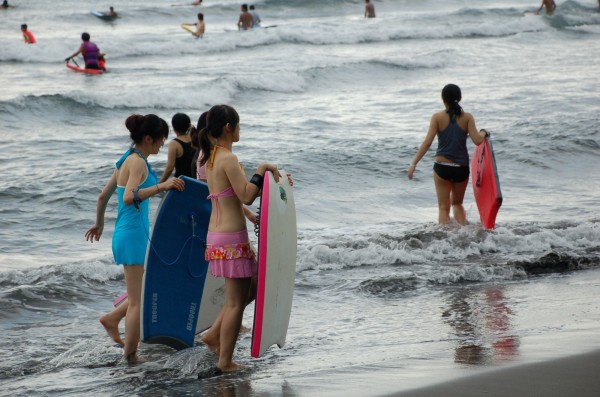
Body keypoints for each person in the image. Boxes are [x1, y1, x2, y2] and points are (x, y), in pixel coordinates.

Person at [85, 114, 185, 362]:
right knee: (138, 302)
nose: (162, 145)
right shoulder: (138, 163)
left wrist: (99, 223)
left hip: (125, 233)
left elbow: (103, 197)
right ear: (148, 138)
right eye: (160, 140)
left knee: (139, 292)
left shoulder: (125, 160)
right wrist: (163, 186)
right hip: (133, 236)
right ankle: (130, 355)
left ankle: (112, 319)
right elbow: (130, 197)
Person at [197, 104, 279, 375]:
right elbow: (246, 195)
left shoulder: (209, 158)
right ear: (229, 128)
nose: (240, 130)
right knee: (235, 303)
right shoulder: (228, 158)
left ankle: (215, 342)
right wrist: (262, 168)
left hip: (217, 237)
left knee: (247, 289)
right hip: (232, 238)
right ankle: (225, 362)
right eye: (239, 125)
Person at [407, 84, 488, 226]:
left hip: (442, 168)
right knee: (457, 203)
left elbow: (427, 143)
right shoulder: (467, 117)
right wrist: (484, 132)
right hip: (461, 168)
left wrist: (413, 164)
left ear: (443, 99)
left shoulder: (437, 117)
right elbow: (477, 140)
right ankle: (464, 235)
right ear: (459, 98)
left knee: (443, 208)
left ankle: (443, 239)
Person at [160, 113, 196, 182]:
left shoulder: (174, 143)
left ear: (173, 127)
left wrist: (160, 184)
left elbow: (170, 168)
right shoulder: (195, 139)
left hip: (180, 183)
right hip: (196, 181)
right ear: (188, 125)